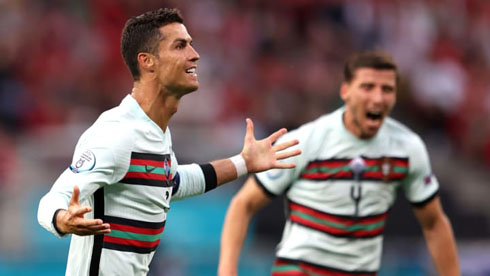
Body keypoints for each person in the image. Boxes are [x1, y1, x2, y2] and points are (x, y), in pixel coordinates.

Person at [37, 8, 301, 276]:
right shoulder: (116, 134)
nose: (194, 54)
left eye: (191, 44)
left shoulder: (155, 133)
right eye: (180, 46)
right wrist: (62, 219)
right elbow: (52, 199)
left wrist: (243, 163)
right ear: (147, 61)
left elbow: (171, 182)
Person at [218, 51, 460, 276]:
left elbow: (435, 223)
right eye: (368, 87)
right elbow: (244, 203)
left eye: (387, 89)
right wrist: (227, 271)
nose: (378, 98)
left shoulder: (407, 148)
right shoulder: (306, 141)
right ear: (346, 91)